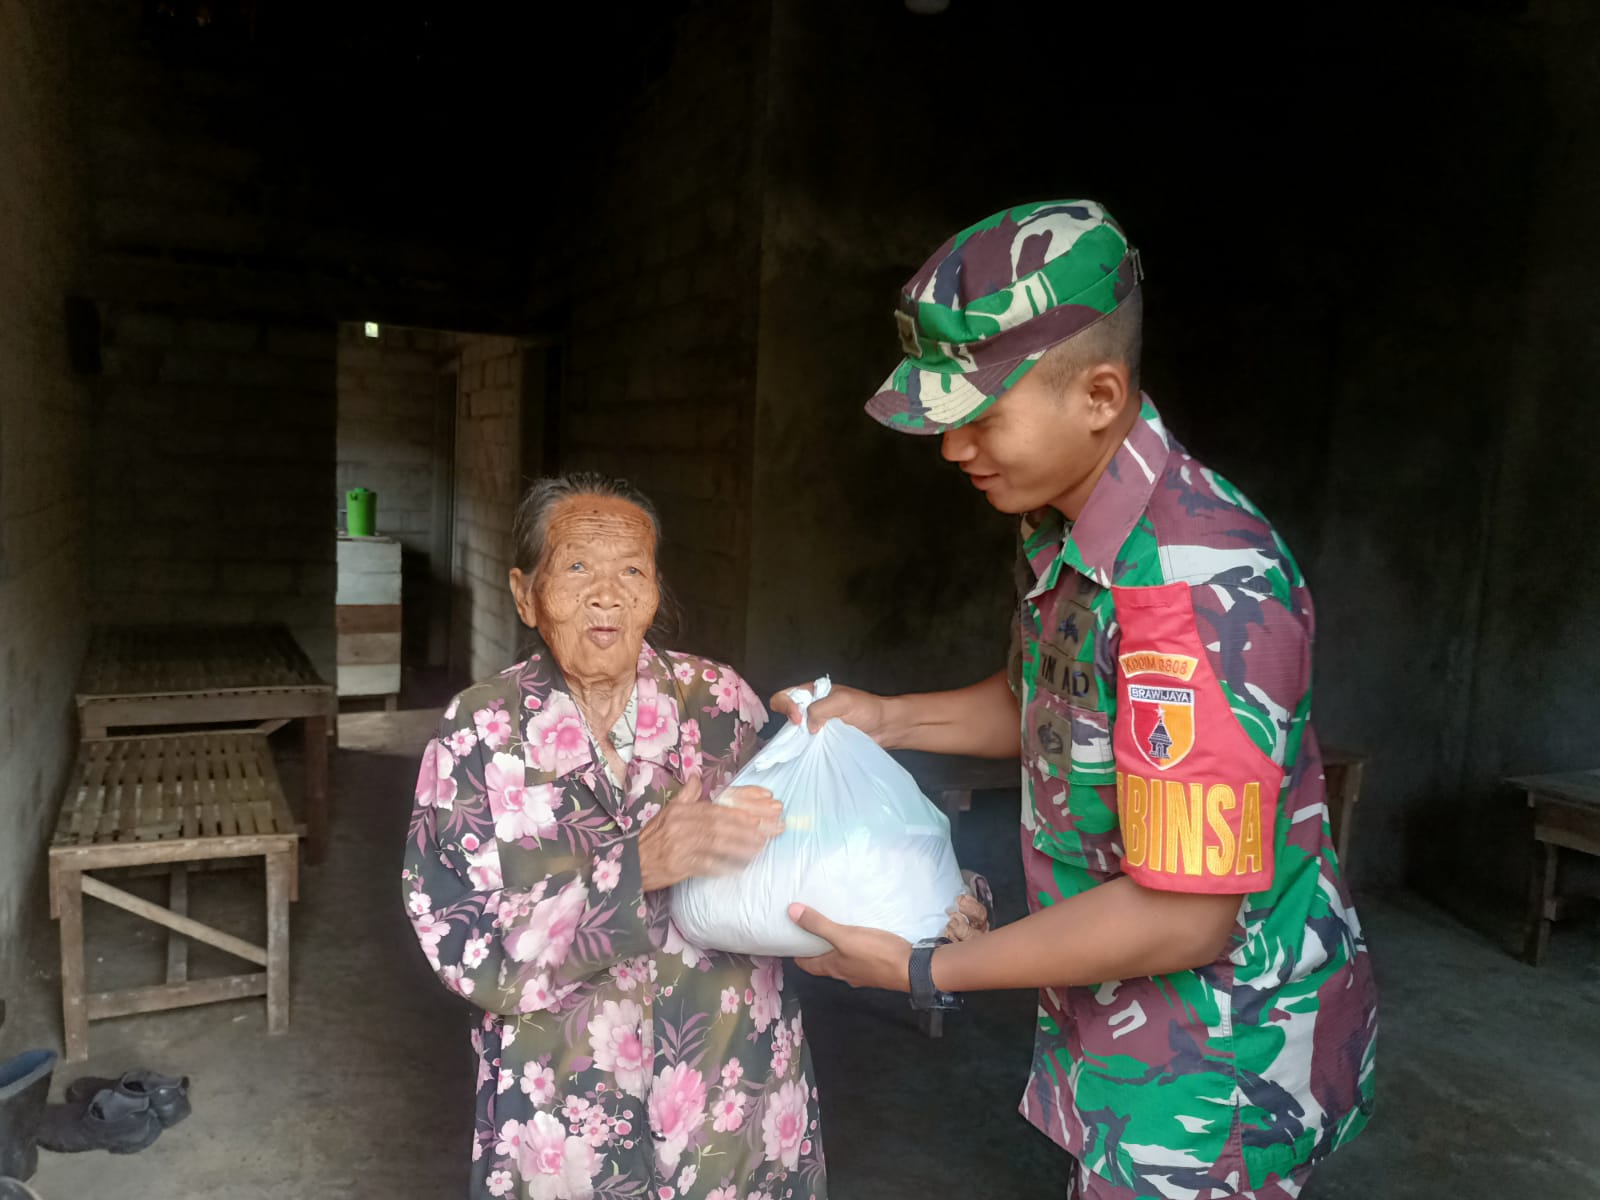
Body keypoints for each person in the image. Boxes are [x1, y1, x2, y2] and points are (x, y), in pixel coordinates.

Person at [777, 200, 1377, 1200]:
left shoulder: (1190, 588)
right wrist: (886, 719)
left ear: (1098, 392)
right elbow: (1045, 708)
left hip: (1214, 1068)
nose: (952, 448)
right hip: (1120, 1030)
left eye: (980, 417)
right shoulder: (1062, 522)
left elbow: (1184, 916)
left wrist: (922, 971)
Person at [404, 472, 827, 1200]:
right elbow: (455, 930)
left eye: (632, 570)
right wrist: (633, 871)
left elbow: (802, 848)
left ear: (657, 590)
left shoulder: (719, 704)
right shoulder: (479, 730)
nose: (609, 594)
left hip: (730, 1081)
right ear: (524, 592)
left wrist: (918, 911)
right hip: (563, 1100)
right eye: (576, 568)